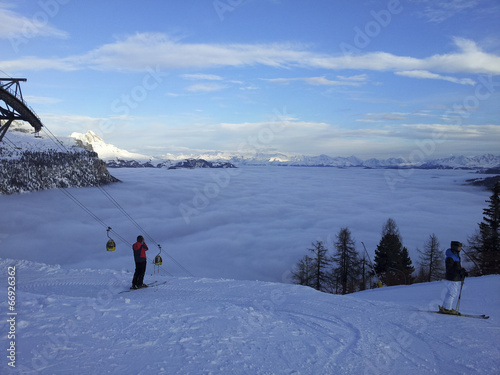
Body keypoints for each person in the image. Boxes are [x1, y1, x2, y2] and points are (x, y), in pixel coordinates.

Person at [439, 241, 468, 314]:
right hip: (452, 277)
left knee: (451, 292)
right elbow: (450, 269)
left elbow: (457, 267)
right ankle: (447, 309)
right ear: (455, 247)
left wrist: (462, 271)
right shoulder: (451, 257)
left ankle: (445, 307)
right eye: (459, 247)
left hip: (455, 277)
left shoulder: (455, 256)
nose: (460, 249)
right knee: (452, 293)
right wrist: (459, 272)